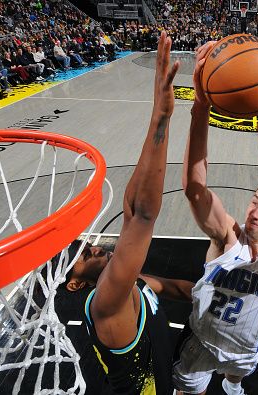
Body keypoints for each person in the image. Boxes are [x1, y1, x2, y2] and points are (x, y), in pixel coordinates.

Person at [174, 41, 258, 395]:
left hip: (243, 351)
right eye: (254, 202)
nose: (254, 212)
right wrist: (200, 109)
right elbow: (194, 188)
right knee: (191, 389)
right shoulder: (227, 237)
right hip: (201, 341)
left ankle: (233, 386)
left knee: (235, 379)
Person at [77, 31, 192, 395]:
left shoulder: (128, 282)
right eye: (83, 256)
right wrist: (162, 119)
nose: (94, 248)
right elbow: (143, 216)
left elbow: (130, 211)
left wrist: (216, 294)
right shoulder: (106, 300)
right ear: (75, 283)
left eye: (88, 245)